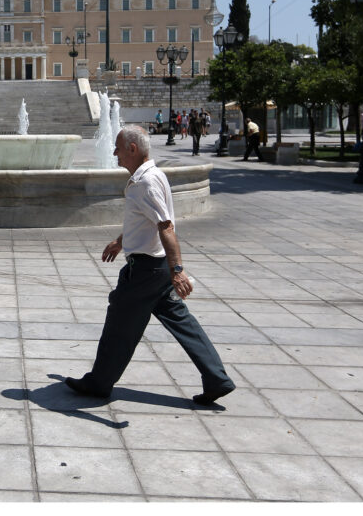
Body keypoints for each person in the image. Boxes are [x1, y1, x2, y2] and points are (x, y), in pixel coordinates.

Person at [64, 125, 235, 403]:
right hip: (155, 270)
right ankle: (217, 378)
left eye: (118, 148)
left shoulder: (145, 182)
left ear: (133, 149)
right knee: (183, 323)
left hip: (145, 270)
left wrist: (177, 270)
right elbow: (148, 221)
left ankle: (99, 382)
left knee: (119, 324)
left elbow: (165, 226)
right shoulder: (153, 176)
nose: (114, 153)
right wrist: (122, 241)